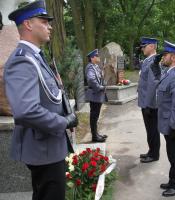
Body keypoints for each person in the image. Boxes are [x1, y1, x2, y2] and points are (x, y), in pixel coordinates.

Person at [4, 1, 78, 199]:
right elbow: (26, 110)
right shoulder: (23, 59)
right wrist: (64, 122)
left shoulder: (35, 56)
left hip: (49, 145)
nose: (50, 26)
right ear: (28, 24)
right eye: (44, 21)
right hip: (43, 149)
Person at [153, 41, 175, 197]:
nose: (163, 57)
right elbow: (156, 74)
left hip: (173, 124)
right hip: (168, 122)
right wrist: (155, 61)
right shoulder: (169, 72)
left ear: (173, 57)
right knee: (172, 154)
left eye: (165, 54)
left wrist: (173, 126)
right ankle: (173, 180)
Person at [137, 37, 161, 163]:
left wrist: (147, 104)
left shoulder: (154, 61)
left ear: (152, 46)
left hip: (150, 103)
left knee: (152, 129)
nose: (142, 48)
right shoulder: (148, 60)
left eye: (144, 46)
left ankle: (154, 154)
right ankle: (151, 151)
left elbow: (152, 84)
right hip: (146, 101)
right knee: (149, 128)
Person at [85, 49, 108, 143]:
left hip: (97, 95)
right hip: (95, 95)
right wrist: (100, 87)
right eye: (97, 56)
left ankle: (96, 134)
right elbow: (91, 79)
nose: (99, 57)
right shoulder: (90, 67)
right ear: (92, 58)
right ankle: (94, 136)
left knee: (96, 115)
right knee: (94, 116)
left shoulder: (95, 66)